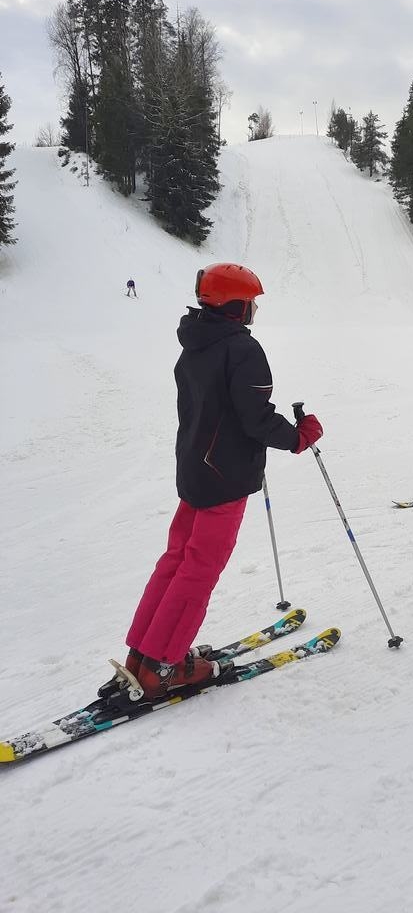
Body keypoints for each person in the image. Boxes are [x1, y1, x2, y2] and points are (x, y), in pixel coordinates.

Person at [108, 262, 323, 701]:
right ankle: (163, 667)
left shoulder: (195, 341)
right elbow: (256, 418)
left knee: (176, 559)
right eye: (251, 304)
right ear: (235, 306)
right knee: (199, 568)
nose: (254, 311)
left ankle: (143, 654)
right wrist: (299, 437)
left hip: (195, 470)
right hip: (223, 479)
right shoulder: (241, 349)